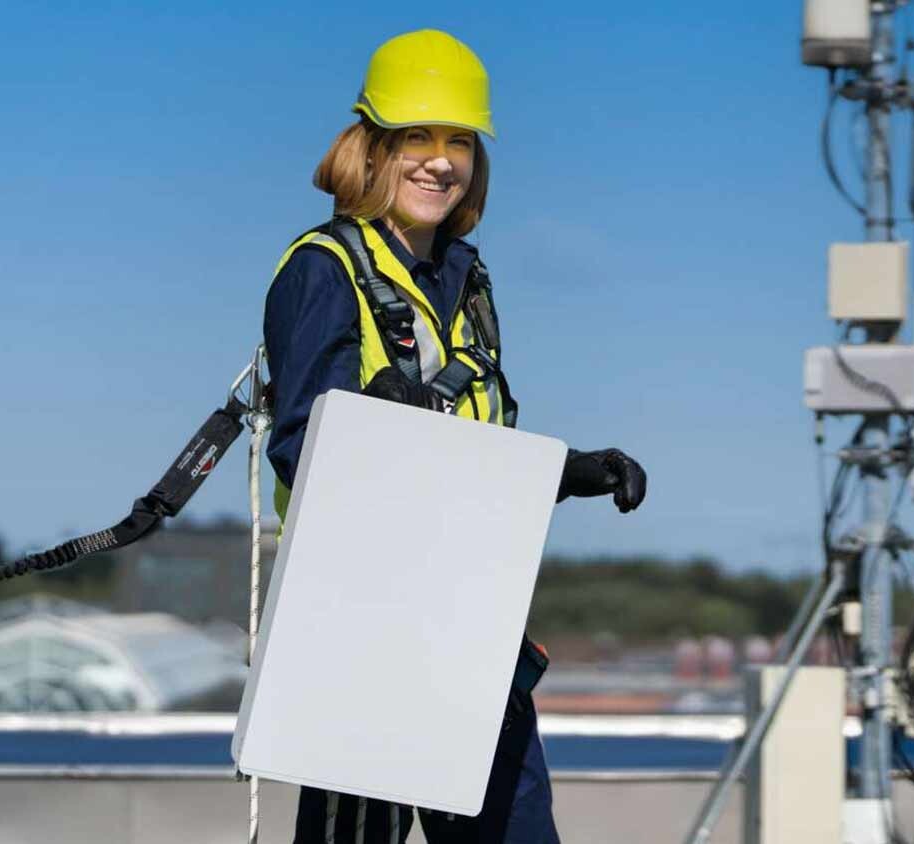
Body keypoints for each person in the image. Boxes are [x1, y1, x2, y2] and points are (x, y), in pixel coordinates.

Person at [262, 29, 647, 844]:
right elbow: (300, 444)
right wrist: (374, 417)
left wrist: (566, 471)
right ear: (371, 148)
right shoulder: (324, 269)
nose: (442, 162)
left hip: (470, 623)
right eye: (417, 139)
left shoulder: (465, 280)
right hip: (365, 623)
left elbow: (473, 454)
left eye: (459, 142)